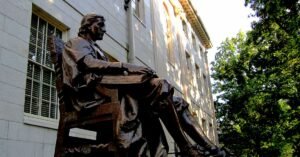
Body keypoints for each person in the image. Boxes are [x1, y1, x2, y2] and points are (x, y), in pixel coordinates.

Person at [62, 13, 225, 157]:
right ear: (88, 25)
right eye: (101, 25)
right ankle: (186, 147)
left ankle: (210, 148)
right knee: (159, 85)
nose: (104, 30)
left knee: (177, 102)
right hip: (92, 97)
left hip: (107, 92)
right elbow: (89, 64)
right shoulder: (77, 42)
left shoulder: (95, 48)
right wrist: (125, 66)